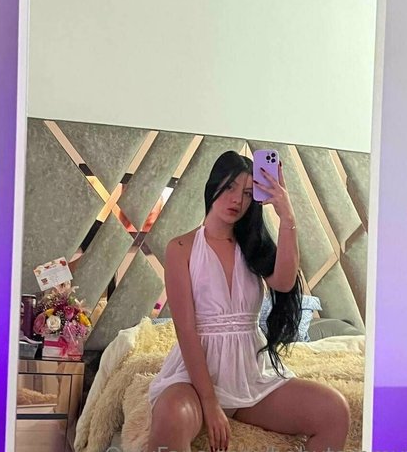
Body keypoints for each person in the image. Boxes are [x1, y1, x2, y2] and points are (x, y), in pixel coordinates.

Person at [147, 151, 350, 452]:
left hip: (251, 376)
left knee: (335, 410)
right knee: (171, 416)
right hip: (194, 381)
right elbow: (186, 331)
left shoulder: (253, 247)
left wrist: (287, 216)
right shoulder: (181, 248)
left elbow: (284, 282)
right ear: (213, 185)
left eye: (246, 193)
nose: (237, 200)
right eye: (230, 187)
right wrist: (210, 404)